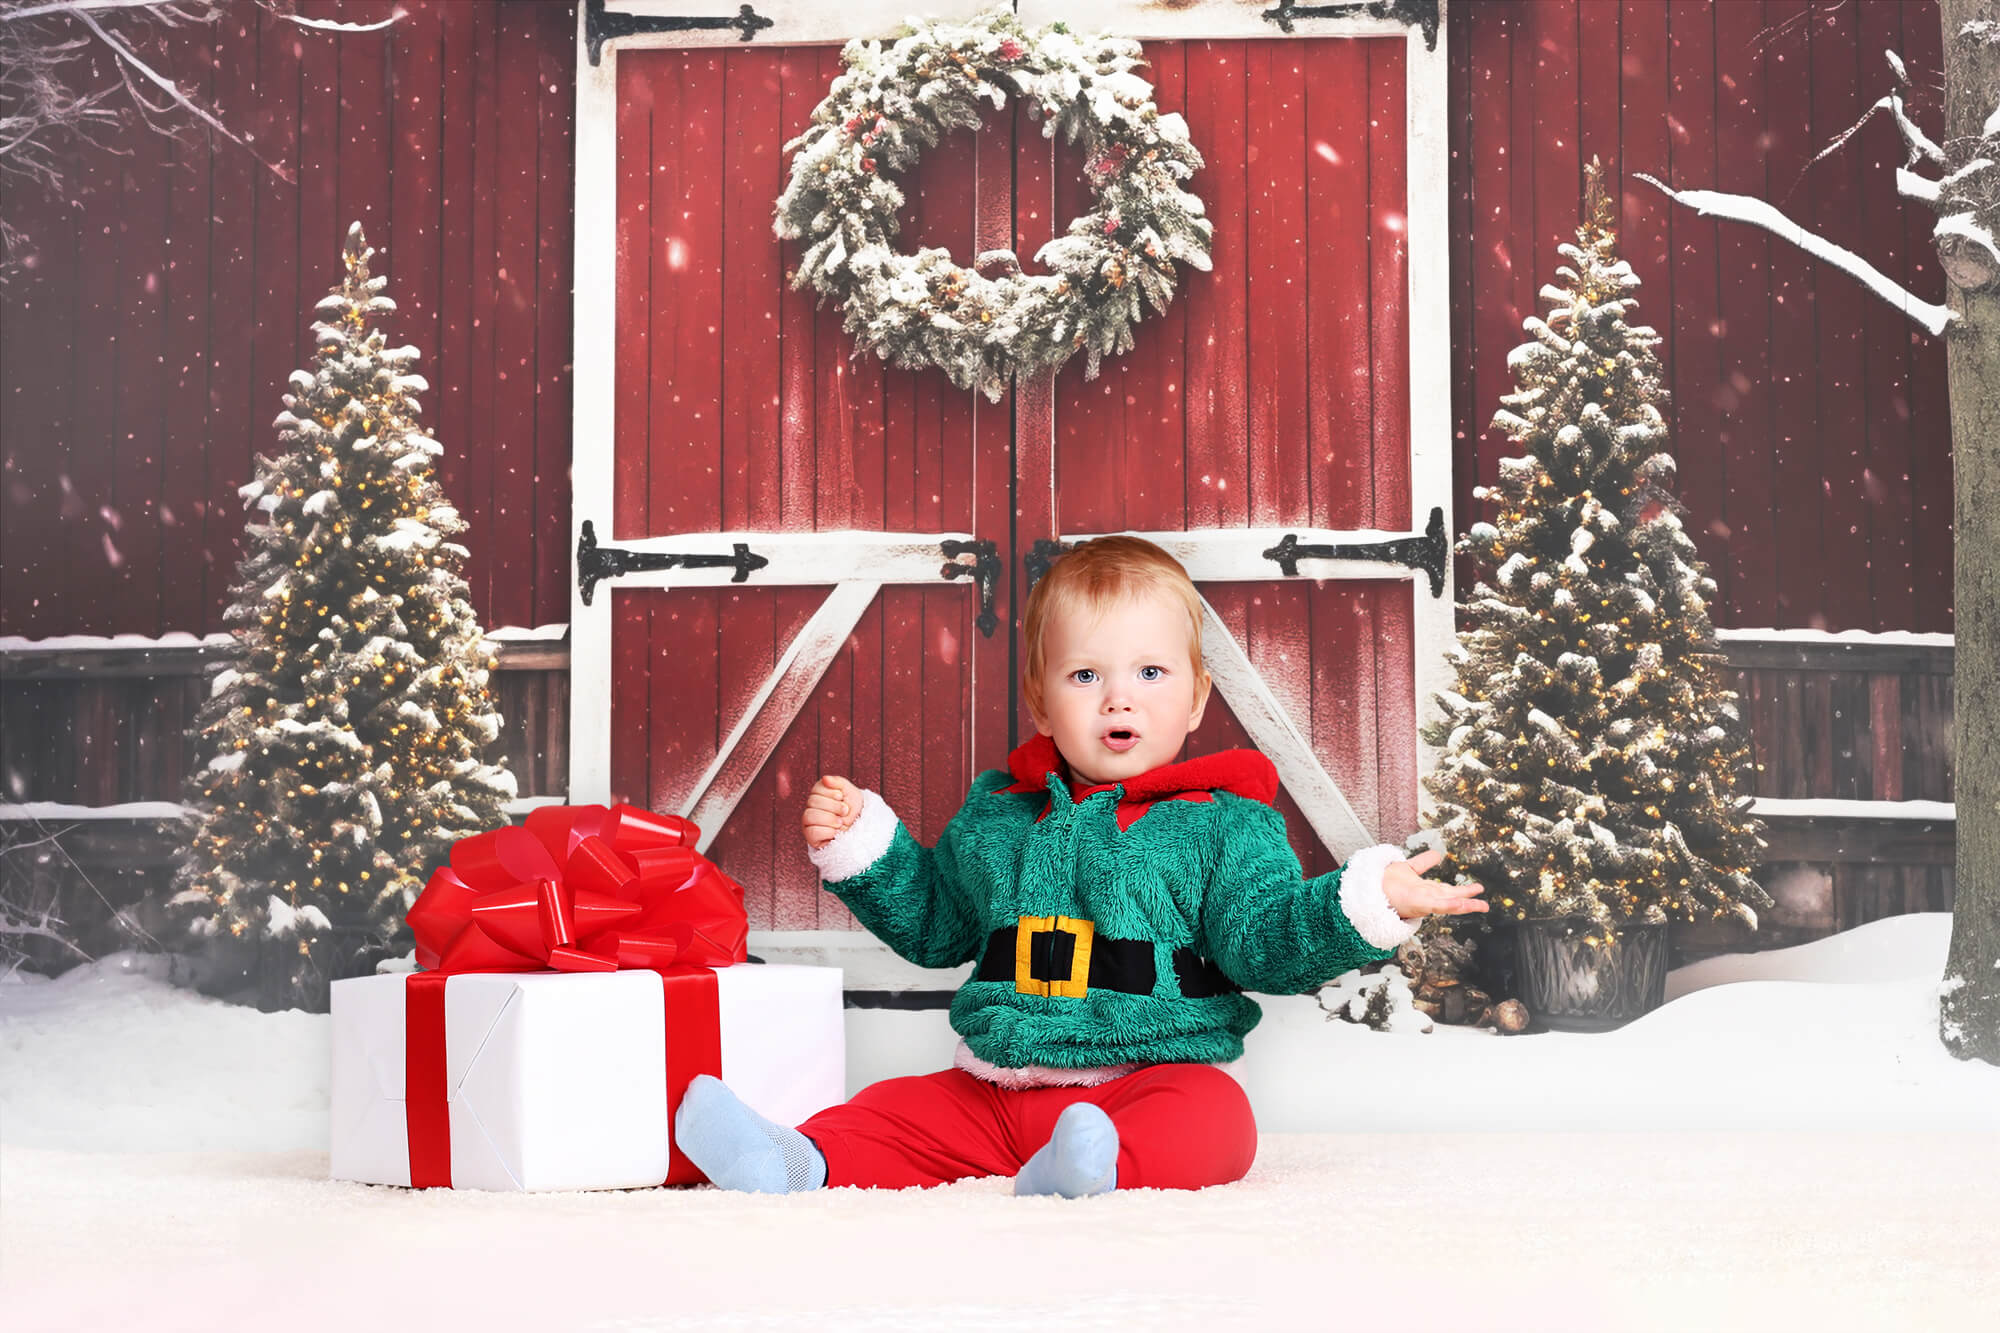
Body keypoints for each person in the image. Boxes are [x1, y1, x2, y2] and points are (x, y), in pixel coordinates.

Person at [674, 535, 1487, 1196]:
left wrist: (1360, 903)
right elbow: (937, 924)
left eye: (1150, 672)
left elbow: (1261, 938)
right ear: (1041, 700)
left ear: (1198, 698)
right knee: (895, 1109)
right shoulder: (1001, 813)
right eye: (1086, 674)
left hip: (1142, 1078)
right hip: (994, 1090)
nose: (1118, 698)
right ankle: (791, 1161)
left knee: (1217, 1119)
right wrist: (866, 848)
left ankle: (1087, 1168)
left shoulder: (1226, 826)